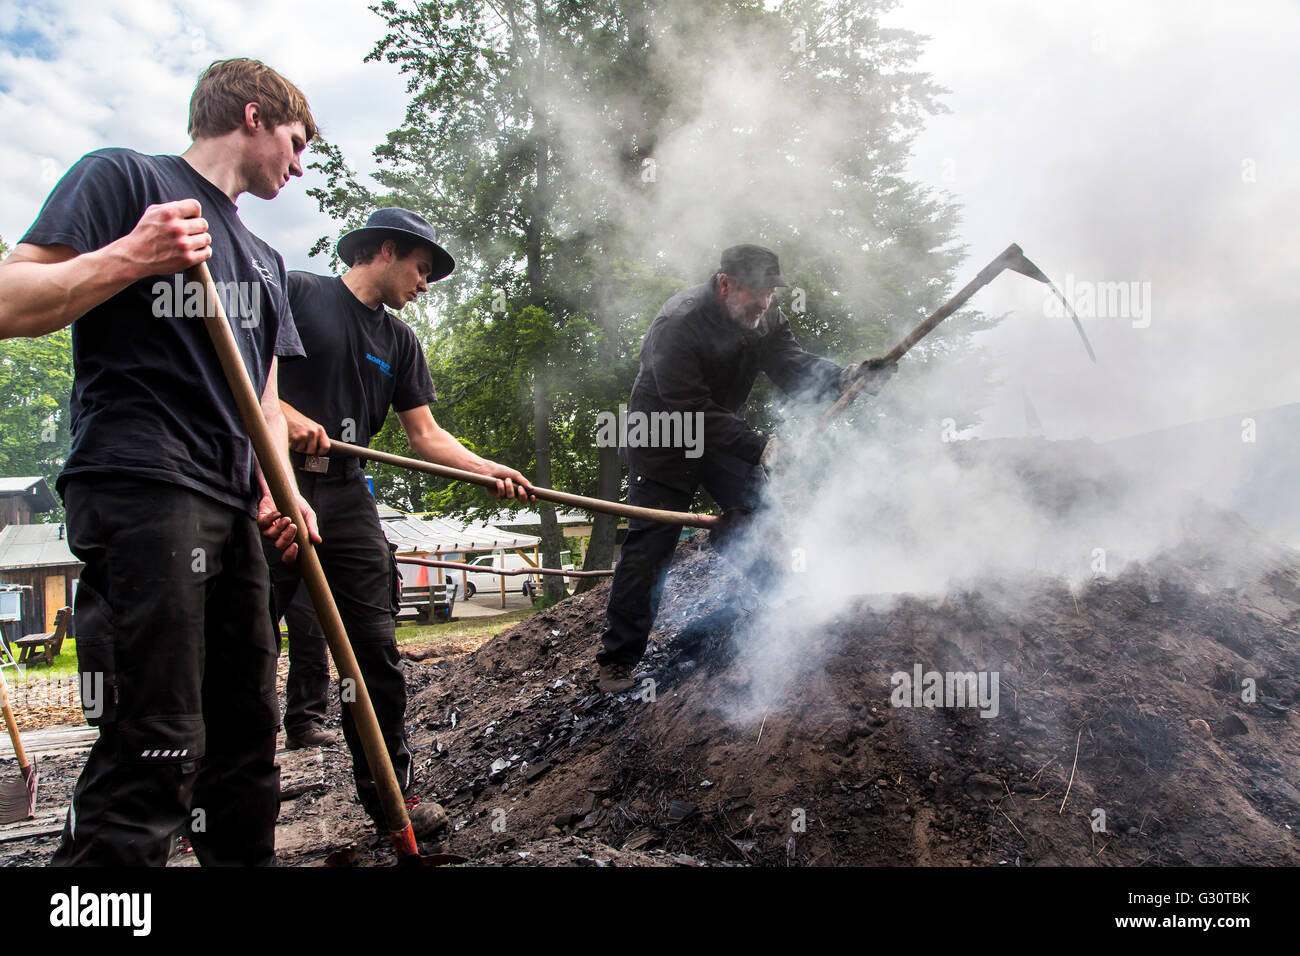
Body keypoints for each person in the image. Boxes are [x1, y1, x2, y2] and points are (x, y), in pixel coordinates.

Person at [0, 58, 320, 865]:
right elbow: (9, 302)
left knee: (247, 743)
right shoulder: (125, 179)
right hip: (143, 482)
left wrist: (282, 494)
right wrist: (132, 257)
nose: (301, 159)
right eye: (297, 138)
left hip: (229, 504)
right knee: (156, 742)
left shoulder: (267, 263)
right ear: (254, 115)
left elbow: (266, 408)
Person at [265, 207, 534, 839]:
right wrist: (285, 414)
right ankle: (206, 802)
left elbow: (426, 436)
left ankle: (393, 800)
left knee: (377, 655)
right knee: (245, 647)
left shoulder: (400, 342)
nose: (424, 284)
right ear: (385, 251)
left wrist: (488, 467)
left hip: (348, 497)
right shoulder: (299, 293)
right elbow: (239, 374)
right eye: (420, 268)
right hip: (273, 483)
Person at [595, 244, 895, 693]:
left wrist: (844, 377)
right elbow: (689, 409)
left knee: (758, 513)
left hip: (718, 431)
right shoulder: (677, 324)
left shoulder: (766, 319)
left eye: (770, 292)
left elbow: (793, 367)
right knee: (650, 545)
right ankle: (617, 661)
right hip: (662, 434)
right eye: (754, 292)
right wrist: (760, 447)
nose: (763, 302)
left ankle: (788, 607)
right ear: (724, 284)